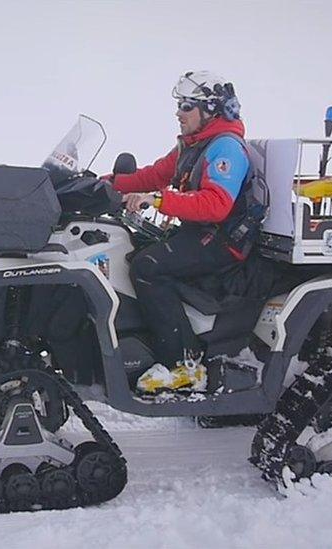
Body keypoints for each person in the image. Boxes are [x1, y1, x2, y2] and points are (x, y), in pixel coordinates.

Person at [111, 70, 253, 393]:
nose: (179, 113)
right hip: (200, 232)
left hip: (223, 240)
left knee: (147, 267)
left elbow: (217, 204)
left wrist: (159, 200)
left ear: (210, 110)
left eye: (187, 106)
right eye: (180, 105)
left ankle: (184, 365)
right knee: (133, 246)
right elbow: (152, 175)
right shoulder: (193, 145)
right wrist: (101, 184)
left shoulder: (226, 148)